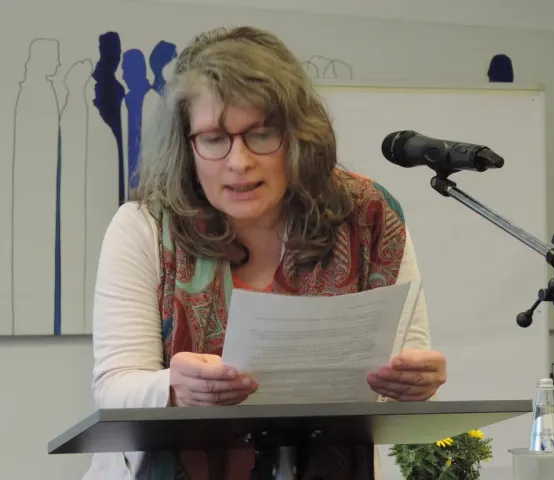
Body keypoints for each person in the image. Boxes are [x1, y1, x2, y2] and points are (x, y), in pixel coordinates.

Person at [83, 25, 447, 480]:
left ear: (298, 136)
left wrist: (416, 383)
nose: (238, 161)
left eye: (260, 134)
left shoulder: (370, 217)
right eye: (213, 138)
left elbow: (400, 378)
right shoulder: (144, 227)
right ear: (187, 144)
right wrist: (173, 387)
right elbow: (114, 387)